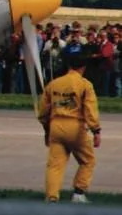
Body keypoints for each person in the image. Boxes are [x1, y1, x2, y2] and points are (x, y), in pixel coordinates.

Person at [38, 53, 101, 203]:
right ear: (83, 67)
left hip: (56, 125)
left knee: (55, 165)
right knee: (88, 161)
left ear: (68, 66)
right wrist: (96, 130)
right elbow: (89, 109)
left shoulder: (54, 84)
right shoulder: (85, 84)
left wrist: (47, 129)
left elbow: (43, 111)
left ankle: (52, 197)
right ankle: (79, 193)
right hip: (75, 126)